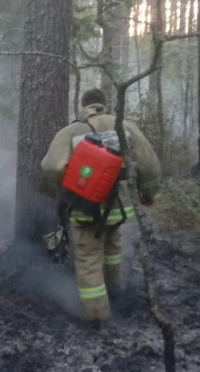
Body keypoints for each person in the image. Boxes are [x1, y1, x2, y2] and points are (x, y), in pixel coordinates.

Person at [40, 88, 161, 321]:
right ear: (105, 105)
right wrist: (148, 192)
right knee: (112, 247)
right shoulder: (125, 126)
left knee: (88, 260)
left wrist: (67, 184)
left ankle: (98, 318)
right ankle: (113, 293)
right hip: (118, 207)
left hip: (85, 207)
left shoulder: (71, 131)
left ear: (83, 106)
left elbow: (51, 167)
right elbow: (151, 165)